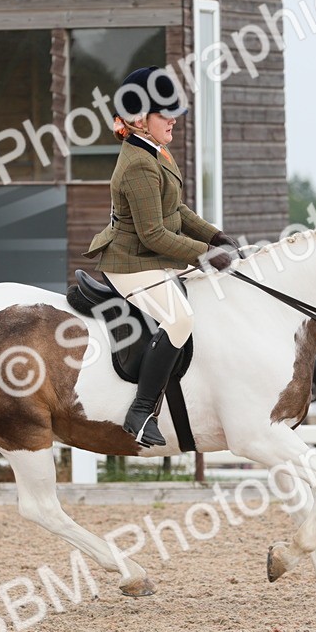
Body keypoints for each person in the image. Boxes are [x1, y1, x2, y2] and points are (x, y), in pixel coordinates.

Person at [83, 66, 239, 446]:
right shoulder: (137, 164)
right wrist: (205, 254)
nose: (172, 119)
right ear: (139, 119)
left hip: (148, 257)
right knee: (180, 319)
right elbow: (153, 234)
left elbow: (177, 211)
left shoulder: (155, 152)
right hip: (130, 262)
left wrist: (216, 236)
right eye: (163, 112)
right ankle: (140, 412)